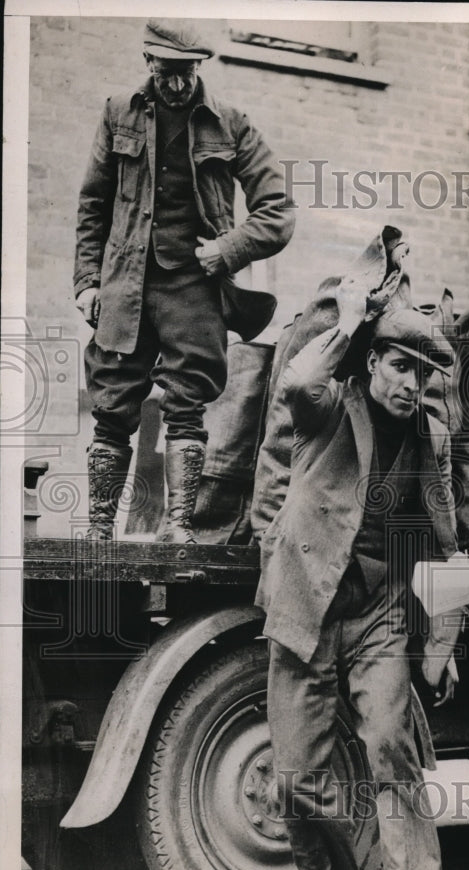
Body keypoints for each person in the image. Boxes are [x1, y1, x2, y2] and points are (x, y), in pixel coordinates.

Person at [253, 278, 457, 870]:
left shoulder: (429, 438)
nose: (409, 383)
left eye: (421, 373)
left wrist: (440, 639)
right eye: (399, 365)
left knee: (392, 756)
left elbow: (437, 539)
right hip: (306, 600)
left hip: (377, 611)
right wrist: (351, 323)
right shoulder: (328, 406)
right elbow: (299, 379)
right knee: (294, 774)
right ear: (371, 362)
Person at [74, 19, 295, 543]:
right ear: (149, 64)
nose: (178, 84)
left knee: (188, 406)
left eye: (188, 73)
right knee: (111, 405)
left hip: (194, 288)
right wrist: (87, 282)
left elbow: (278, 210)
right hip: (124, 285)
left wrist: (229, 248)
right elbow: (92, 206)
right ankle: (99, 528)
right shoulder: (117, 113)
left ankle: (179, 528)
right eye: (168, 72)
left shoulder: (232, 124)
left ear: (200, 68)